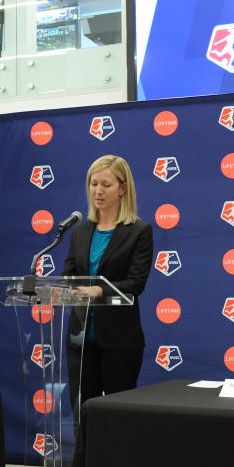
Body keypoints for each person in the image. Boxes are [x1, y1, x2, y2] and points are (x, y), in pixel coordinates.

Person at [63, 155, 153, 408]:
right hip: (80, 340)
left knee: (116, 416)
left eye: (106, 184)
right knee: (83, 414)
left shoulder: (139, 231)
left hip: (120, 340)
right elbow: (68, 277)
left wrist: (98, 289)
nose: (98, 191)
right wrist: (56, 289)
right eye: (93, 184)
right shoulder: (80, 230)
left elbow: (136, 283)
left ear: (123, 188)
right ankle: (84, 450)